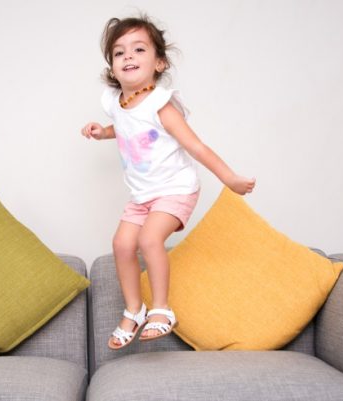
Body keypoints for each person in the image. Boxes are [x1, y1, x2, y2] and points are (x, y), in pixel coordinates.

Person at [81, 15, 256, 350]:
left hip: (176, 189)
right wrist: (102, 132)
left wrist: (230, 179)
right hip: (142, 195)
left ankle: (161, 309)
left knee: (149, 239)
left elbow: (196, 147)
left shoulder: (162, 105)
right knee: (121, 244)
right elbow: (127, 127)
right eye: (119, 52)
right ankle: (134, 310)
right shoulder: (116, 103)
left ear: (159, 62)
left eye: (139, 49)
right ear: (112, 66)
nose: (128, 56)